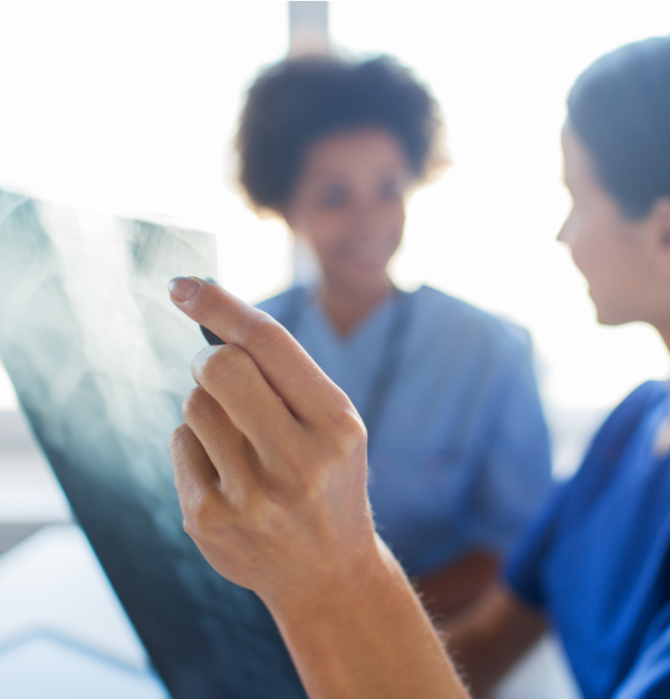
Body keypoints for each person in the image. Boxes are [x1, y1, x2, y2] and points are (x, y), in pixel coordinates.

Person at [167, 21, 670, 699]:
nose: (564, 235)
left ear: (668, 235)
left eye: (577, 198)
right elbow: (484, 644)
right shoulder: (637, 424)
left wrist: (333, 579)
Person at [232, 55, 553, 617]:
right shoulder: (241, 348)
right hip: (280, 637)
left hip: (432, 639)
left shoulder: (491, 350)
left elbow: (515, 543)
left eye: (388, 188)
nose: (370, 219)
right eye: (335, 197)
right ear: (284, 205)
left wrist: (367, 615)